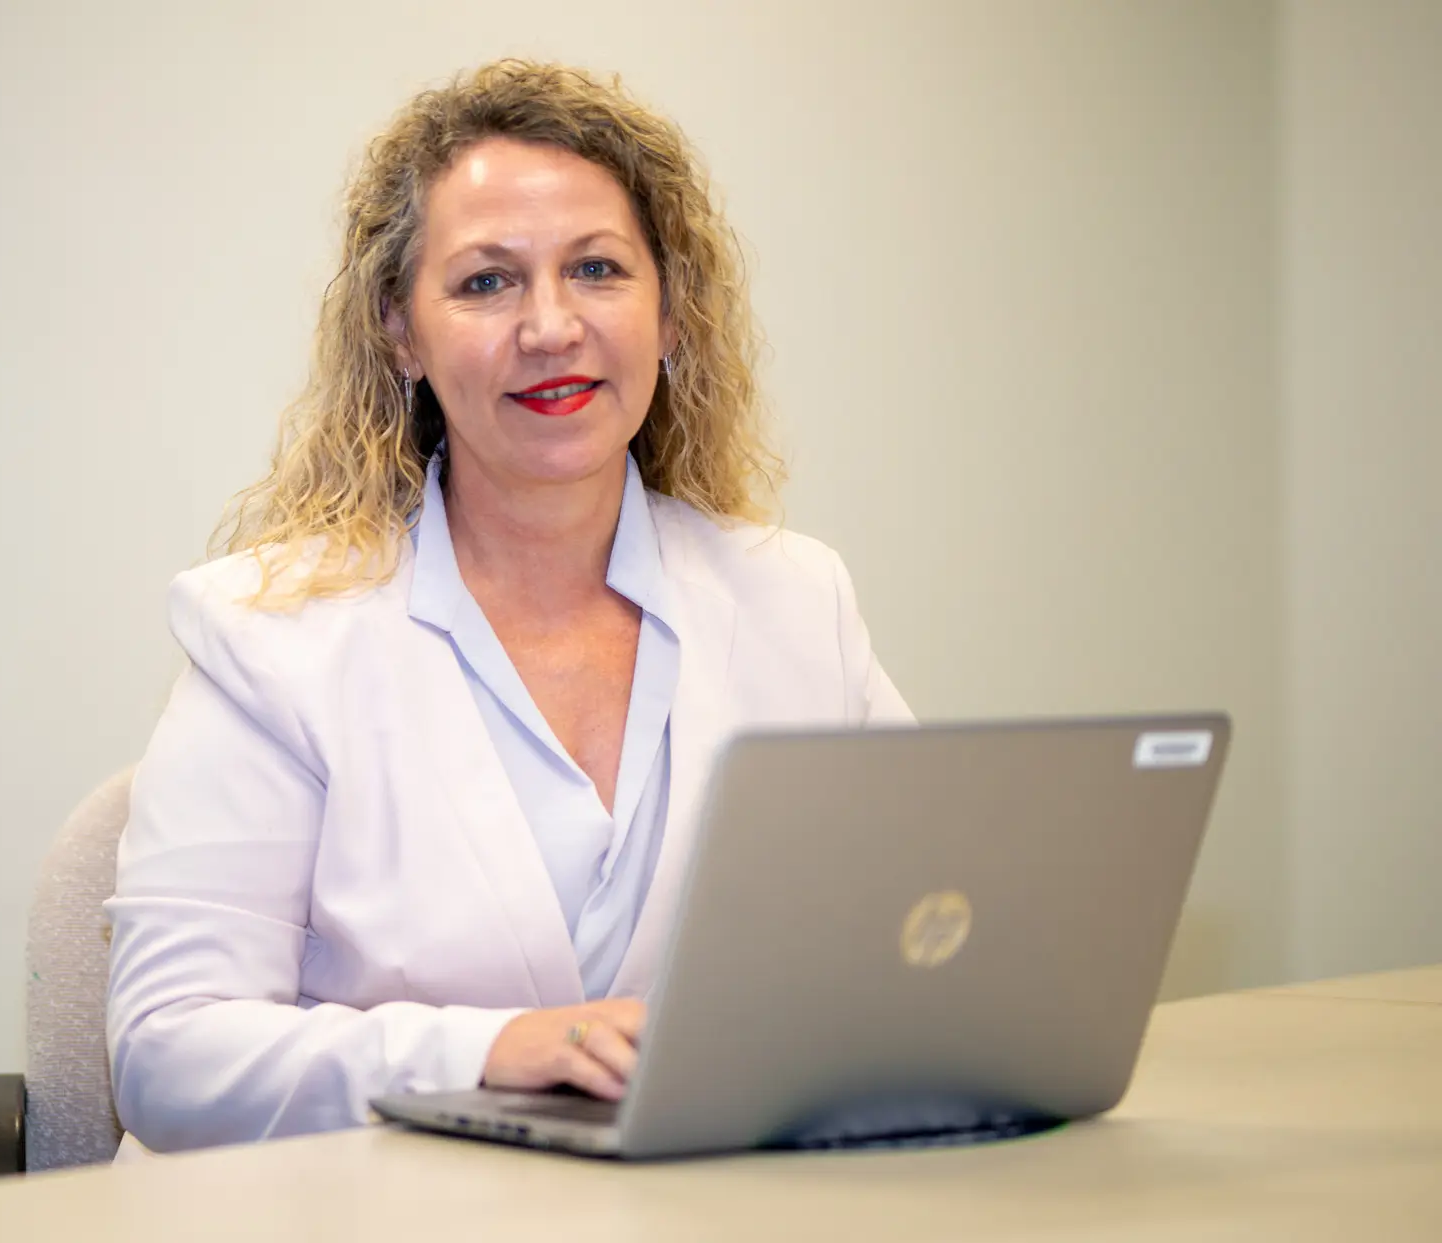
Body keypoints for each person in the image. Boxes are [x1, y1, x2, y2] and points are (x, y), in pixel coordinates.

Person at [105, 59, 911, 1158]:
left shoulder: (794, 599)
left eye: (597, 269)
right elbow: (169, 1053)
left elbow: (921, 937)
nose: (550, 326)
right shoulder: (269, 636)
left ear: (669, 313)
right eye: (487, 282)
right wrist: (493, 1049)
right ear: (401, 333)